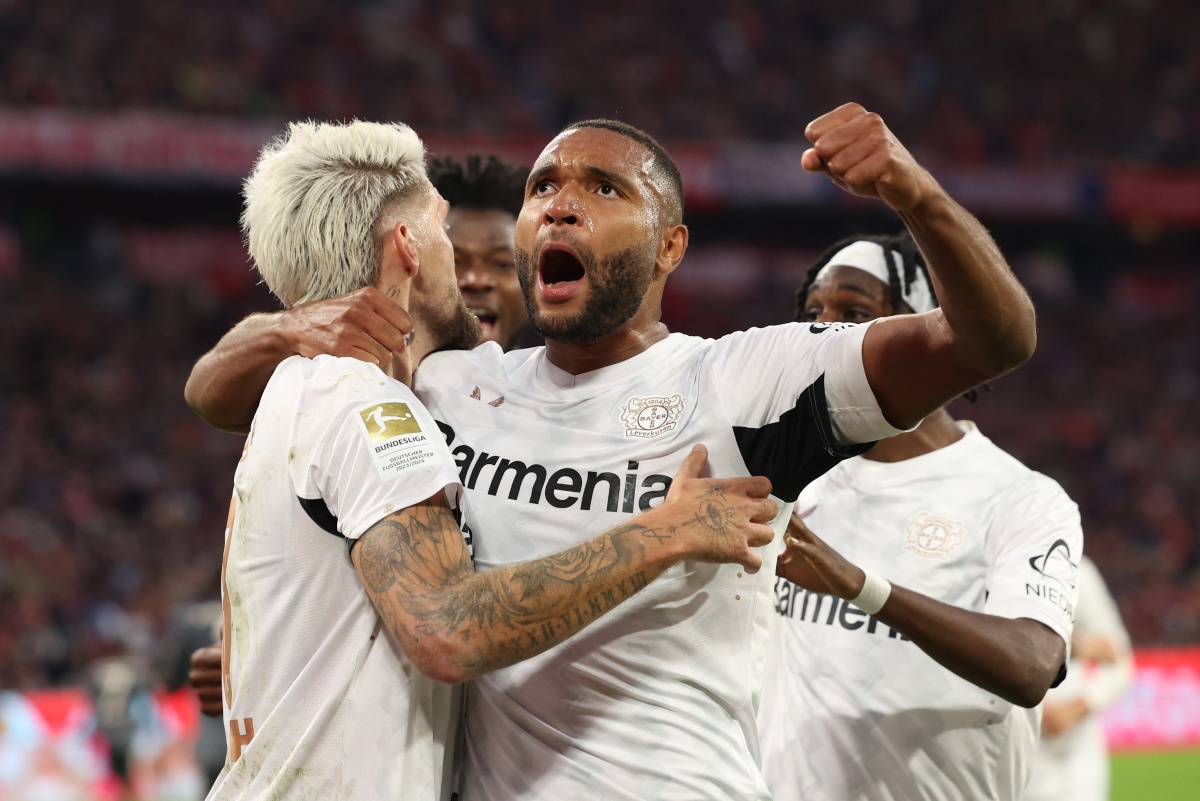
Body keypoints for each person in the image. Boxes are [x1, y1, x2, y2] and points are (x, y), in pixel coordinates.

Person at [185, 103, 1040, 800]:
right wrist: (286, 326)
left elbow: (990, 340)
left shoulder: (745, 380)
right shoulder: (453, 385)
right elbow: (217, 395)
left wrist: (914, 194)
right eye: (543, 185)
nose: (560, 201)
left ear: (670, 245)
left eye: (603, 187)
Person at [203, 120, 779, 800]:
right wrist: (665, 530)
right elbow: (448, 630)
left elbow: (210, 390)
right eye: (446, 233)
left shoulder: (294, 387)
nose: (472, 268)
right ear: (409, 245)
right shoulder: (369, 408)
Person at [186, 153, 536, 737]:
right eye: (456, 249)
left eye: (500, 262)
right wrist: (287, 328)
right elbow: (206, 390)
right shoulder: (360, 383)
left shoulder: (538, 397)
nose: (474, 277)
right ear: (413, 250)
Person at [758, 232, 1083, 801]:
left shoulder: (1018, 497)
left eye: (855, 312)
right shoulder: (792, 480)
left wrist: (859, 586)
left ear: (923, 328)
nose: (824, 331)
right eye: (813, 313)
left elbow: (1032, 665)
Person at [1025, 556, 1134, 801]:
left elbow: (1120, 661)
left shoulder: (1077, 569)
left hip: (1076, 766)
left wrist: (1079, 706)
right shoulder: (985, 561)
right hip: (1010, 752)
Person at [428, 155, 535, 351]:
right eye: (453, 263)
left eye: (502, 264)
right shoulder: (373, 378)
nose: (476, 280)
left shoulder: (573, 380)